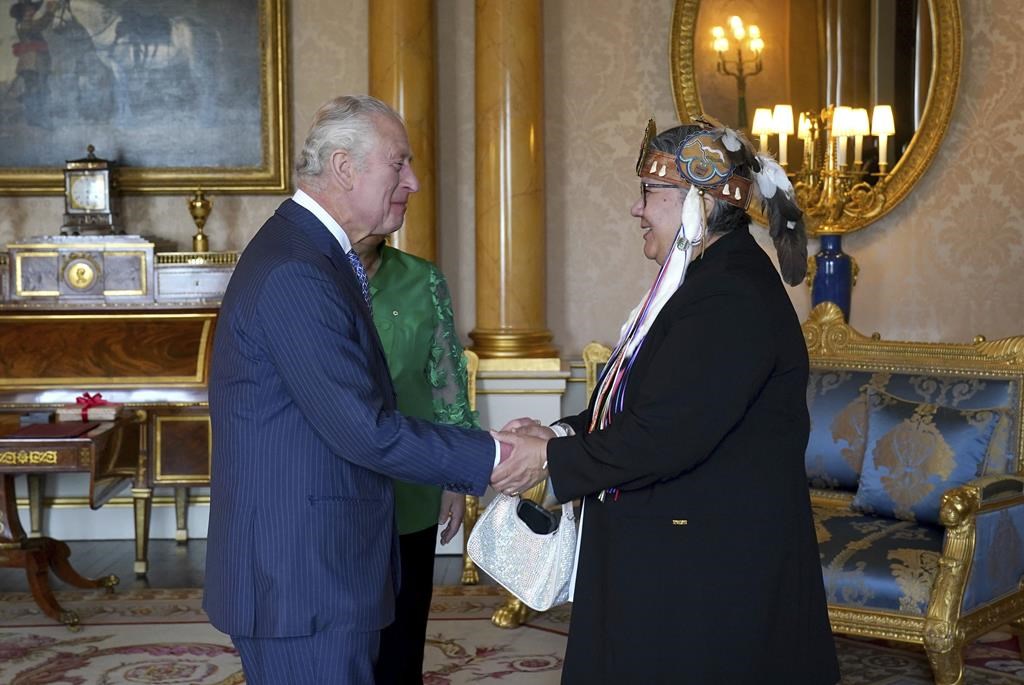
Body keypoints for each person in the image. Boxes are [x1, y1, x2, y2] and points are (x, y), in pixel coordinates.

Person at [492, 117, 840, 683]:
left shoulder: (729, 295)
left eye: (650, 191)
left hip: (707, 570)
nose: (637, 209)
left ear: (700, 202)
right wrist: (561, 433)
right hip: (683, 551)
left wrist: (551, 460)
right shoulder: (704, 280)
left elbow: (665, 435)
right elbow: (643, 402)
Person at [204, 95, 509, 685]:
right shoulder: (298, 269)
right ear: (344, 167)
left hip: (315, 568)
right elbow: (362, 430)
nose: (413, 181)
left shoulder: (310, 252)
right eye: (399, 163)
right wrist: (496, 456)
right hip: (304, 580)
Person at [351, 234, 478, 683]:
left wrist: (456, 475)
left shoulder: (422, 279)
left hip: (412, 480)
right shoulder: (311, 273)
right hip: (335, 488)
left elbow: (447, 380)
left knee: (402, 639)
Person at [9, 0, 58, 127]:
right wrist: (50, 11)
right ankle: (35, 118)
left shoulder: (25, 23)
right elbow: (40, 25)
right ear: (22, 14)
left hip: (38, 63)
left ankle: (37, 117)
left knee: (40, 90)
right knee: (34, 90)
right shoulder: (24, 24)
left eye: (32, 9)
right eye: (28, 10)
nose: (31, 11)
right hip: (31, 63)